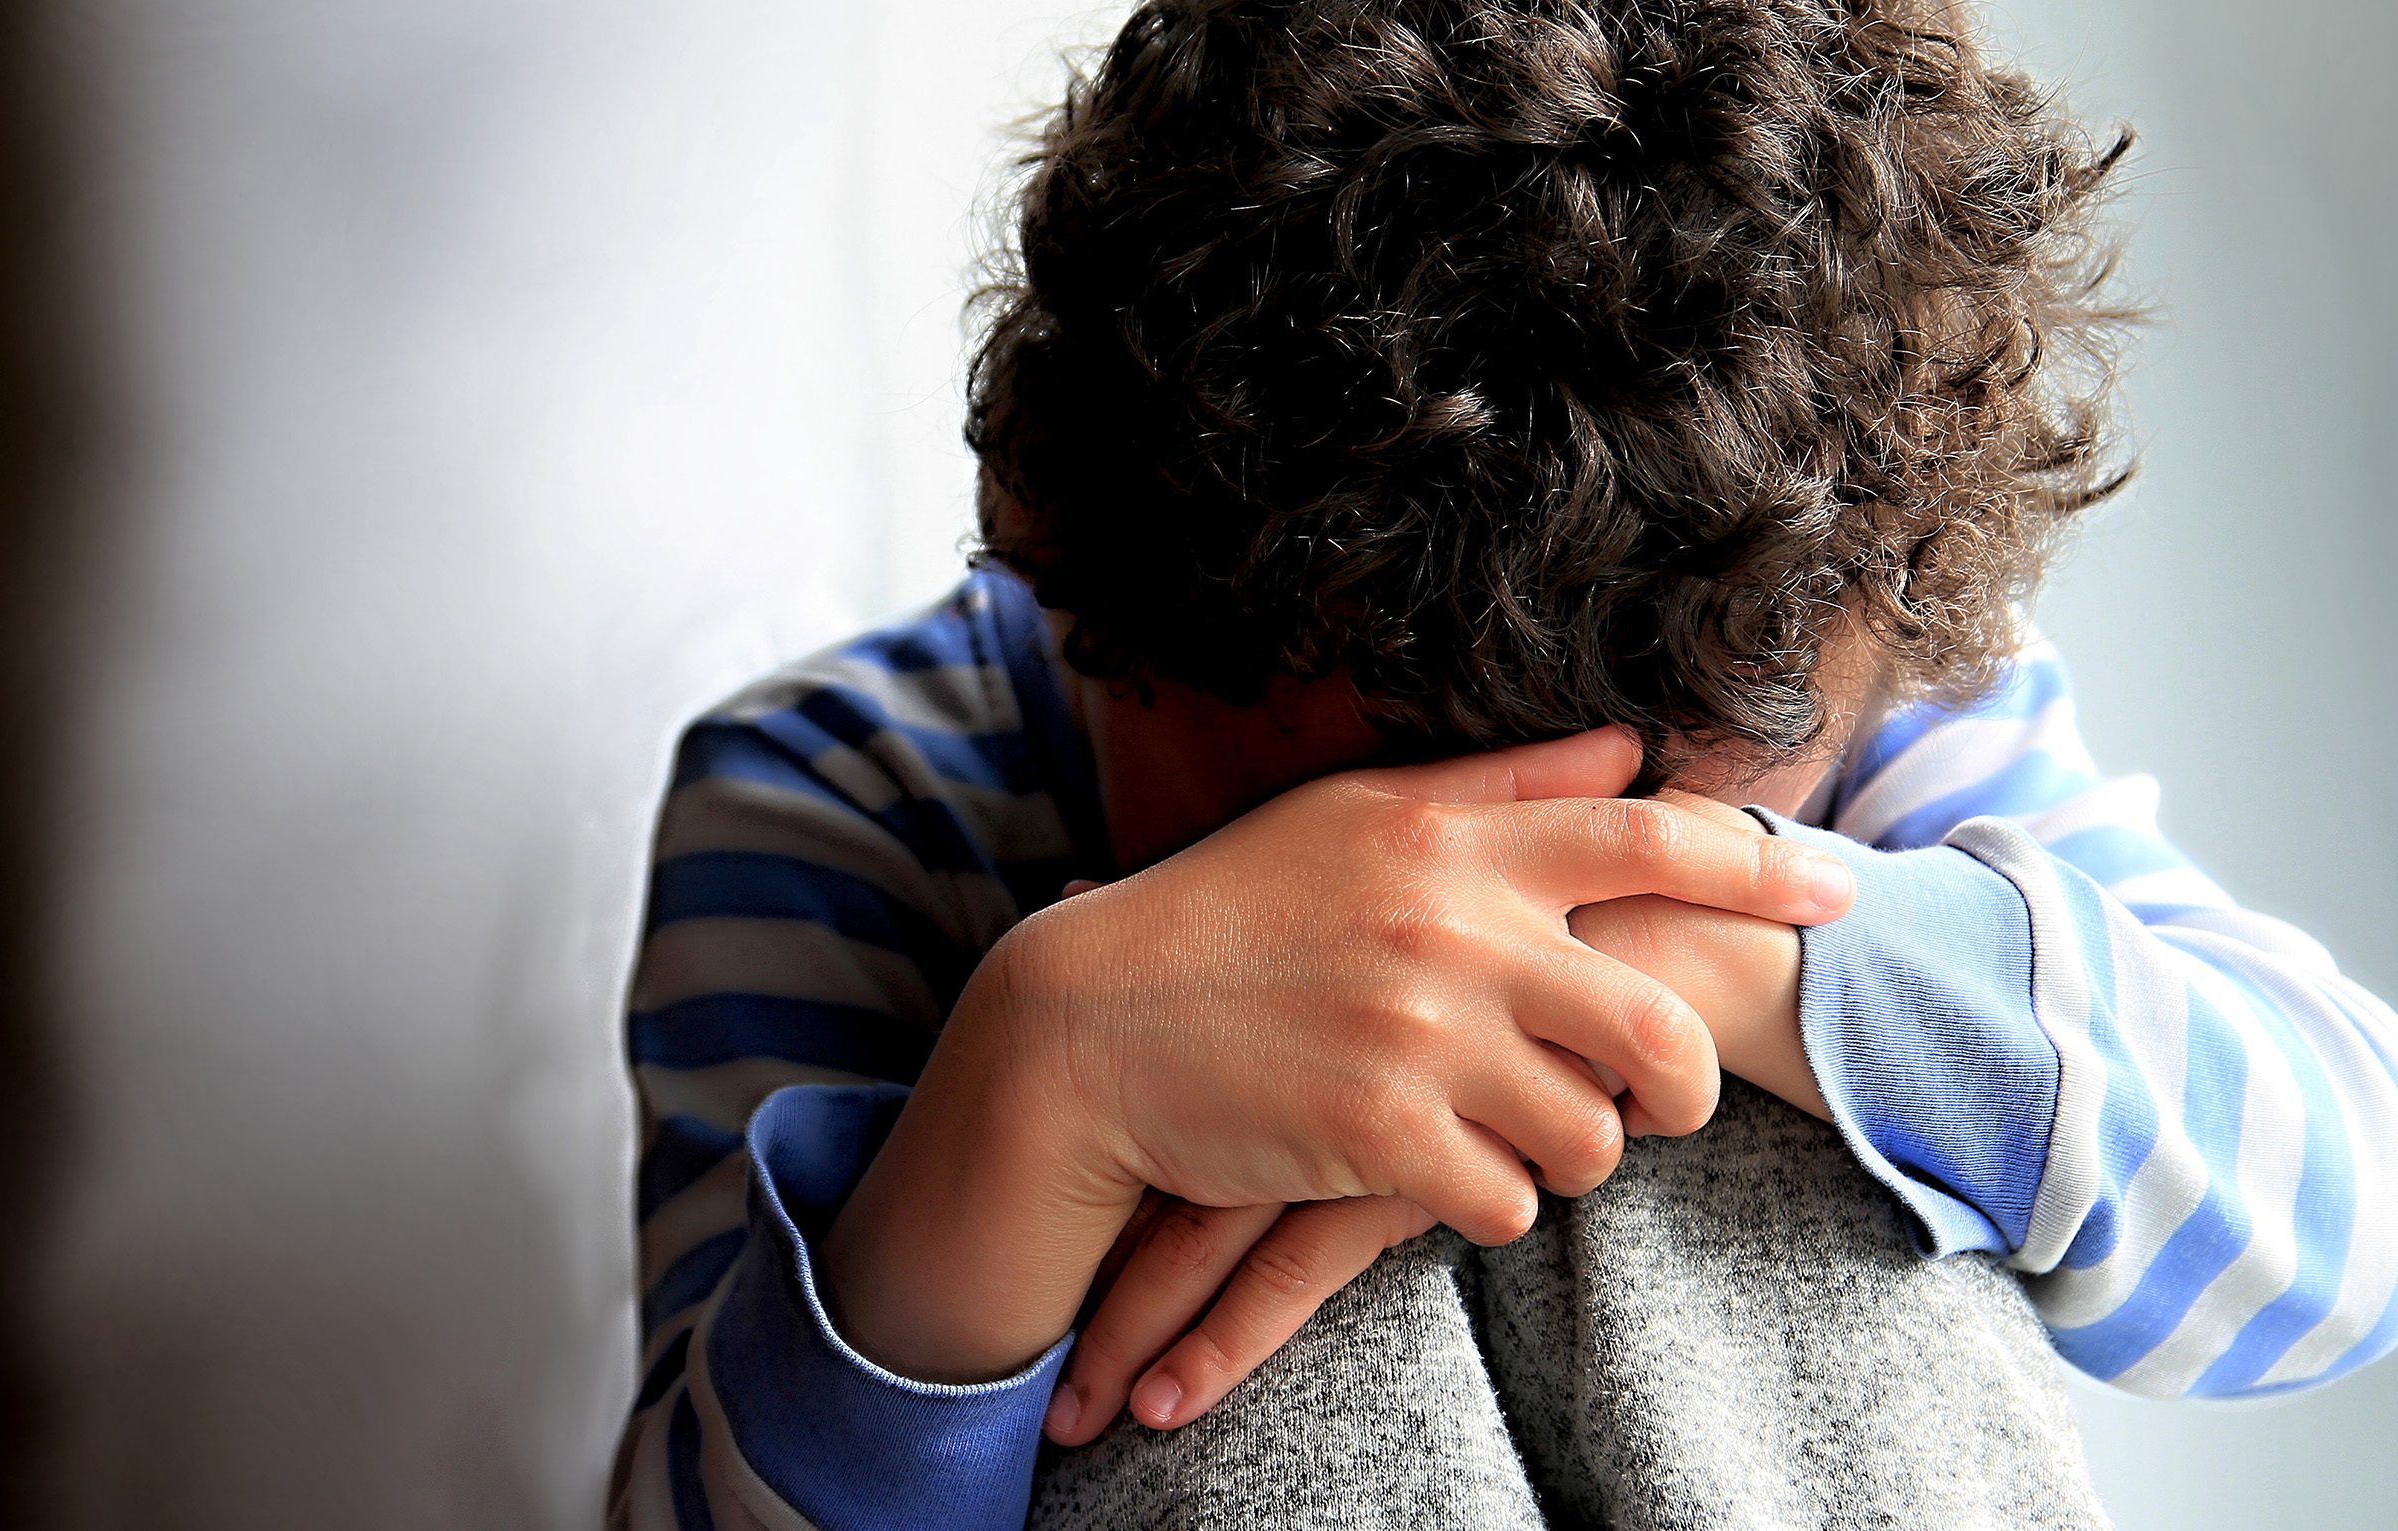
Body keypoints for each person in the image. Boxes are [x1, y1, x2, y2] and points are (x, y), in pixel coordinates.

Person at [607, 1, 2398, 1526]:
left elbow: (2344, 1229)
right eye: (1326, 840)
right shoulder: (847, 788)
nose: (1450, 920)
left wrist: (1709, 959)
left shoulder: (1868, 676)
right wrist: (1044, 1076)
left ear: (1878, 643)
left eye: (1642, 834)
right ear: (1044, 533)